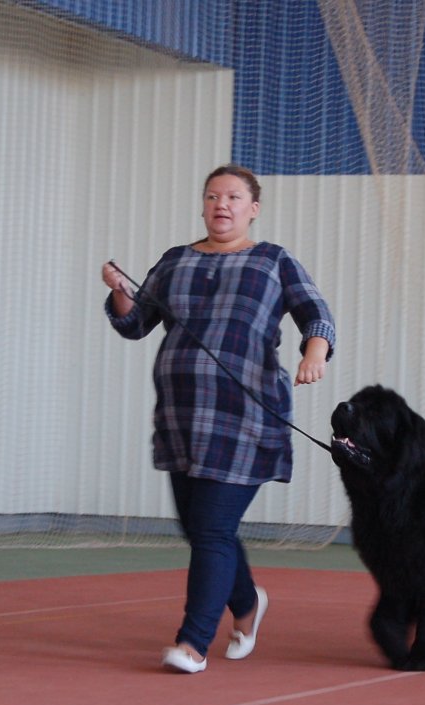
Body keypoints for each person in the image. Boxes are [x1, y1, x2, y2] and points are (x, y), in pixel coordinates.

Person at [102, 164, 335, 673]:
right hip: (181, 418)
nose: (221, 205)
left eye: (232, 197)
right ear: (203, 205)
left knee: (210, 530)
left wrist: (313, 355)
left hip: (246, 418)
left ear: (253, 208)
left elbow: (316, 313)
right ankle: (248, 605)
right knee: (206, 530)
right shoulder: (175, 261)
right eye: (212, 196)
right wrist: (121, 288)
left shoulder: (274, 261)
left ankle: (192, 642)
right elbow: (134, 323)